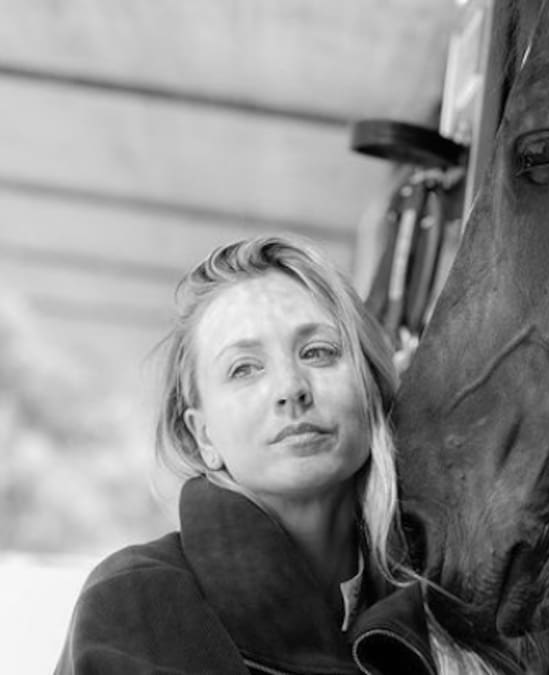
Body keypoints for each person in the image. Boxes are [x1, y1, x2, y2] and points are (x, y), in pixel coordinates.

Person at [54, 235, 513, 674]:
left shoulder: (453, 610)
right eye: (244, 369)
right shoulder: (135, 601)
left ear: (370, 389)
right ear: (204, 436)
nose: (291, 389)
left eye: (318, 352)